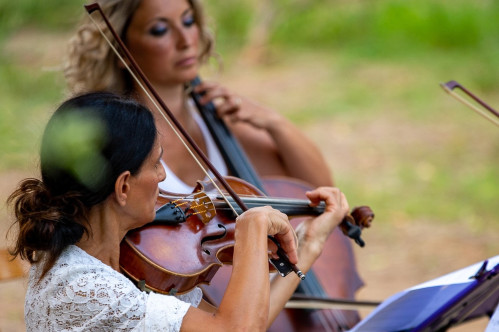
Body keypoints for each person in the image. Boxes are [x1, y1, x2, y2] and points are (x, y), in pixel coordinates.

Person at [64, 0, 363, 325]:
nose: (185, 40)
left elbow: (316, 188)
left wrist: (273, 122)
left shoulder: (217, 120)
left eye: (189, 21)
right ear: (124, 46)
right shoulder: (119, 141)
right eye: (160, 29)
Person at [8, 91, 350, 331]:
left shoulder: (117, 261)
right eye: (157, 163)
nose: (162, 177)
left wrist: (307, 248)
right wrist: (251, 229)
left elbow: (244, 322)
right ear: (123, 187)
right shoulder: (85, 289)